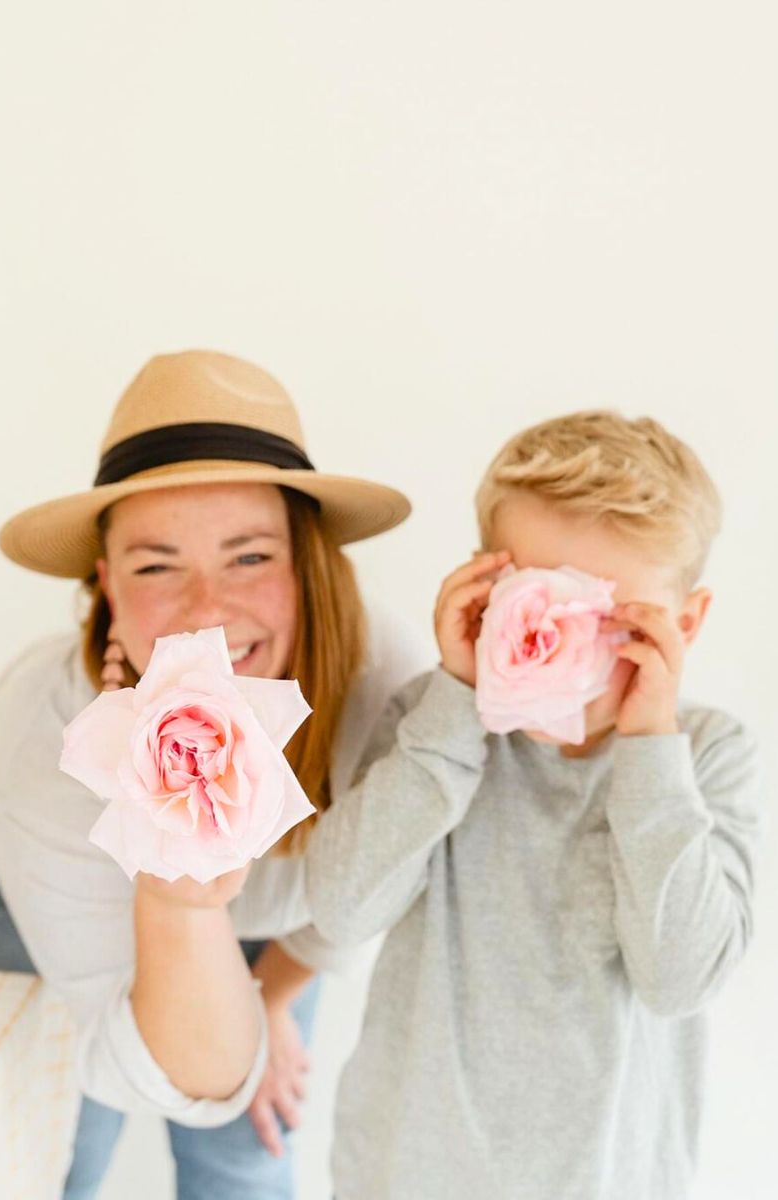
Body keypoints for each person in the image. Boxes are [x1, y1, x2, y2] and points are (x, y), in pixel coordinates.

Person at [0, 349, 430, 1199]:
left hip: (270, 908)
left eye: (249, 557)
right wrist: (174, 897)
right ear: (106, 588)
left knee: (248, 1146)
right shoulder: (43, 753)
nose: (207, 611)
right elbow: (133, 1062)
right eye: (157, 565)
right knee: (65, 1140)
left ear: (311, 566)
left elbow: (382, 873)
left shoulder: (381, 682)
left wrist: (271, 995)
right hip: (23, 879)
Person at [306, 409, 763, 1200]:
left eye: (610, 622)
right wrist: (454, 702)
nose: (568, 647)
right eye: (543, 607)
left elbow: (680, 981)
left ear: (683, 625)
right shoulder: (434, 726)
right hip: (404, 1174)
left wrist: (652, 746)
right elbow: (342, 909)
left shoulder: (706, 756)